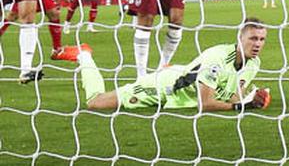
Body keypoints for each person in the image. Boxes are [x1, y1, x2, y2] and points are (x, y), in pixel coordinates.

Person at [59, 18, 271, 113]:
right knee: (96, 103)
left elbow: (233, 94)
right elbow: (205, 104)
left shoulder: (254, 63)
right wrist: (239, 107)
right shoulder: (217, 57)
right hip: (164, 86)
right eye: (253, 38)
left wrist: (252, 99)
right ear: (240, 37)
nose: (258, 44)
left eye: (261, 40)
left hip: (181, 80)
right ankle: (84, 55)